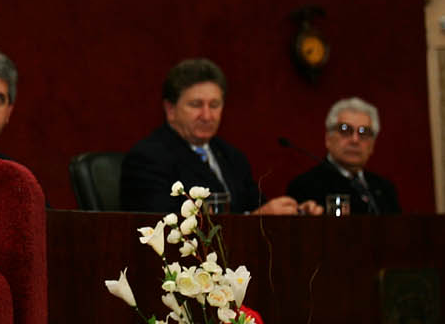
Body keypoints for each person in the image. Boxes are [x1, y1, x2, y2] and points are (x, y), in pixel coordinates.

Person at [120, 58, 315, 216]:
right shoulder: (147, 159)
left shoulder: (232, 156)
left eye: (214, 105)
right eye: (196, 105)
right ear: (170, 109)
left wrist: (295, 213)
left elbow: (258, 206)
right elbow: (166, 227)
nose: (207, 116)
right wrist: (255, 219)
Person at [286, 97, 401, 215]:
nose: (355, 140)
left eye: (364, 132)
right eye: (345, 129)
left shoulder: (385, 189)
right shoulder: (305, 186)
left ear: (373, 144)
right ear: (328, 138)